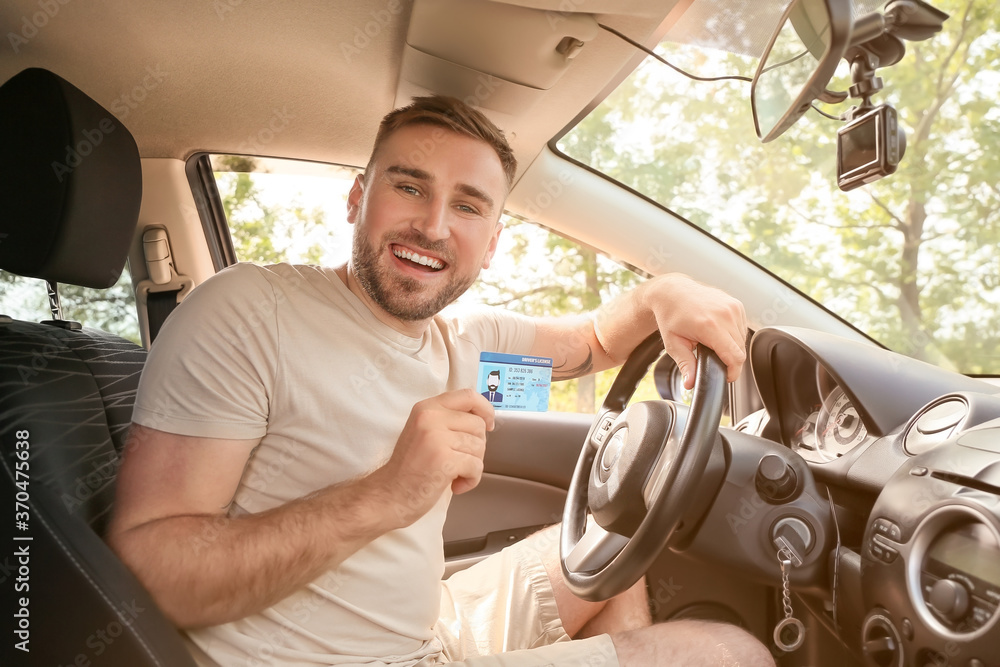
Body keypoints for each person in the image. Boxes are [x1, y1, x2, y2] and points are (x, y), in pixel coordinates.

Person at [108, 95, 773, 667]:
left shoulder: (469, 342)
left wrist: (668, 291)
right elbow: (152, 568)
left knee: (608, 541)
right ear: (356, 199)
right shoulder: (248, 311)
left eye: (468, 205)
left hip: (431, 631)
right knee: (731, 656)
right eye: (409, 186)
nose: (432, 224)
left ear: (492, 245)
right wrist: (386, 493)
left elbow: (594, 341)